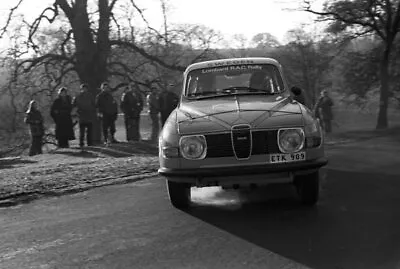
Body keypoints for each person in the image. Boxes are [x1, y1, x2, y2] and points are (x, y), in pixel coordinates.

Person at [72, 83, 96, 148]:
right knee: (82, 131)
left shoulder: (90, 96)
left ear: (87, 89)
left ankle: (89, 143)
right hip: (81, 116)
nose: (84, 90)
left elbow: (94, 105)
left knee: (89, 131)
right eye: (83, 88)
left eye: (85, 88)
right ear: (81, 89)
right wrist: (76, 113)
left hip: (89, 115)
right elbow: (74, 105)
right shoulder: (77, 96)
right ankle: (81, 143)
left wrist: (93, 112)